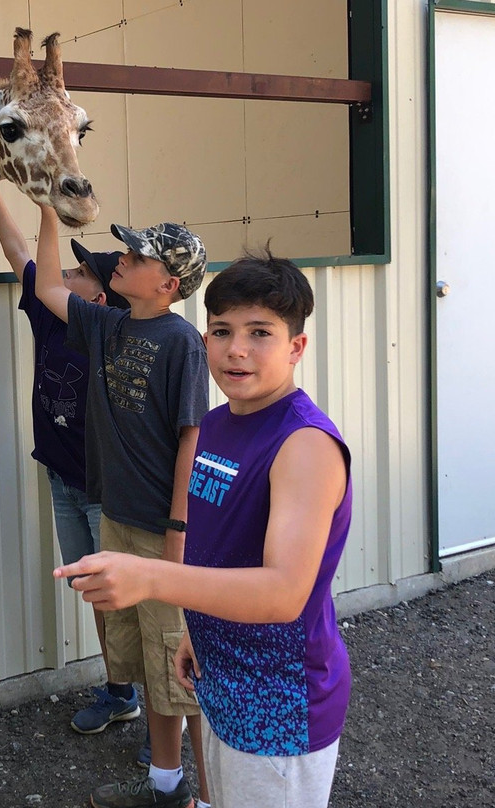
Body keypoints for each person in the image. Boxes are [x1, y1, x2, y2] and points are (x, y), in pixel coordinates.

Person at [55, 249, 353, 808]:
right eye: (221, 331)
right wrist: (198, 629)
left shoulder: (305, 446)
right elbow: (222, 551)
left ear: (296, 347)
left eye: (260, 332)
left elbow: (284, 592)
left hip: (279, 705)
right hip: (218, 678)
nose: (236, 349)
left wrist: (151, 578)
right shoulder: (216, 426)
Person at [33, 202, 211, 808]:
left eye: (138, 257)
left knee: (174, 665)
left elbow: (192, 436)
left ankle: (201, 792)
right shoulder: (108, 326)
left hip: (164, 532)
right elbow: (47, 285)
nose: (123, 260)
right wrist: (48, 214)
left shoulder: (184, 343)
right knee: (139, 656)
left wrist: (179, 530)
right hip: (116, 518)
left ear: (168, 284)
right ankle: (164, 785)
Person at [0, 181, 142, 736]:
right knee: (97, 593)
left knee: (131, 603)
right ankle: (120, 691)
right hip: (63, 480)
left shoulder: (112, 338)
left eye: (76, 275)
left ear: (96, 301)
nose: (61, 277)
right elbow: (19, 251)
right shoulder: (51, 319)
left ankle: (157, 718)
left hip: (105, 492)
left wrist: (50, 208)